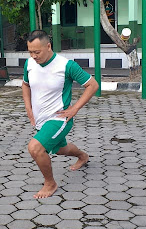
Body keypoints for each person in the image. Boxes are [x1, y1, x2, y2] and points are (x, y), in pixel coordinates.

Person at [22, 30, 98, 199]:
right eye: (30, 52)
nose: (33, 56)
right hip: (41, 119)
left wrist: (75, 108)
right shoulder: (29, 64)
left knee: (35, 148)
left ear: (48, 46)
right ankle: (82, 156)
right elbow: (25, 85)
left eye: (37, 52)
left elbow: (92, 85)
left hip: (59, 118)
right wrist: (28, 108)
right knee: (59, 149)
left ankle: (50, 183)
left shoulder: (66, 66)